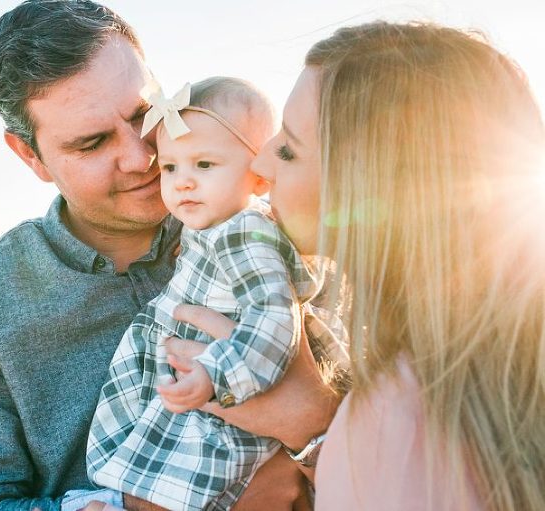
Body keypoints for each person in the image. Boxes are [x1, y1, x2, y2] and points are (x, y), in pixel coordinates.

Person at [0, 1, 335, 510]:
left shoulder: (287, 235)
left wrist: (311, 431)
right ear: (30, 155)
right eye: (92, 143)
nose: (143, 158)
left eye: (144, 115)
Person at [162, 21, 545, 511]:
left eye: (289, 150)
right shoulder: (462, 379)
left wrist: (312, 425)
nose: (260, 164)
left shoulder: (398, 421)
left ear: (370, 188)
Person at [86, 76, 349, 511]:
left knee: (199, 464)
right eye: (170, 167)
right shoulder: (215, 226)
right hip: (214, 363)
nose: (183, 183)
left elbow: (273, 315)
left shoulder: (244, 232)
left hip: (235, 368)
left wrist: (218, 375)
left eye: (204, 165)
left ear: (258, 177)